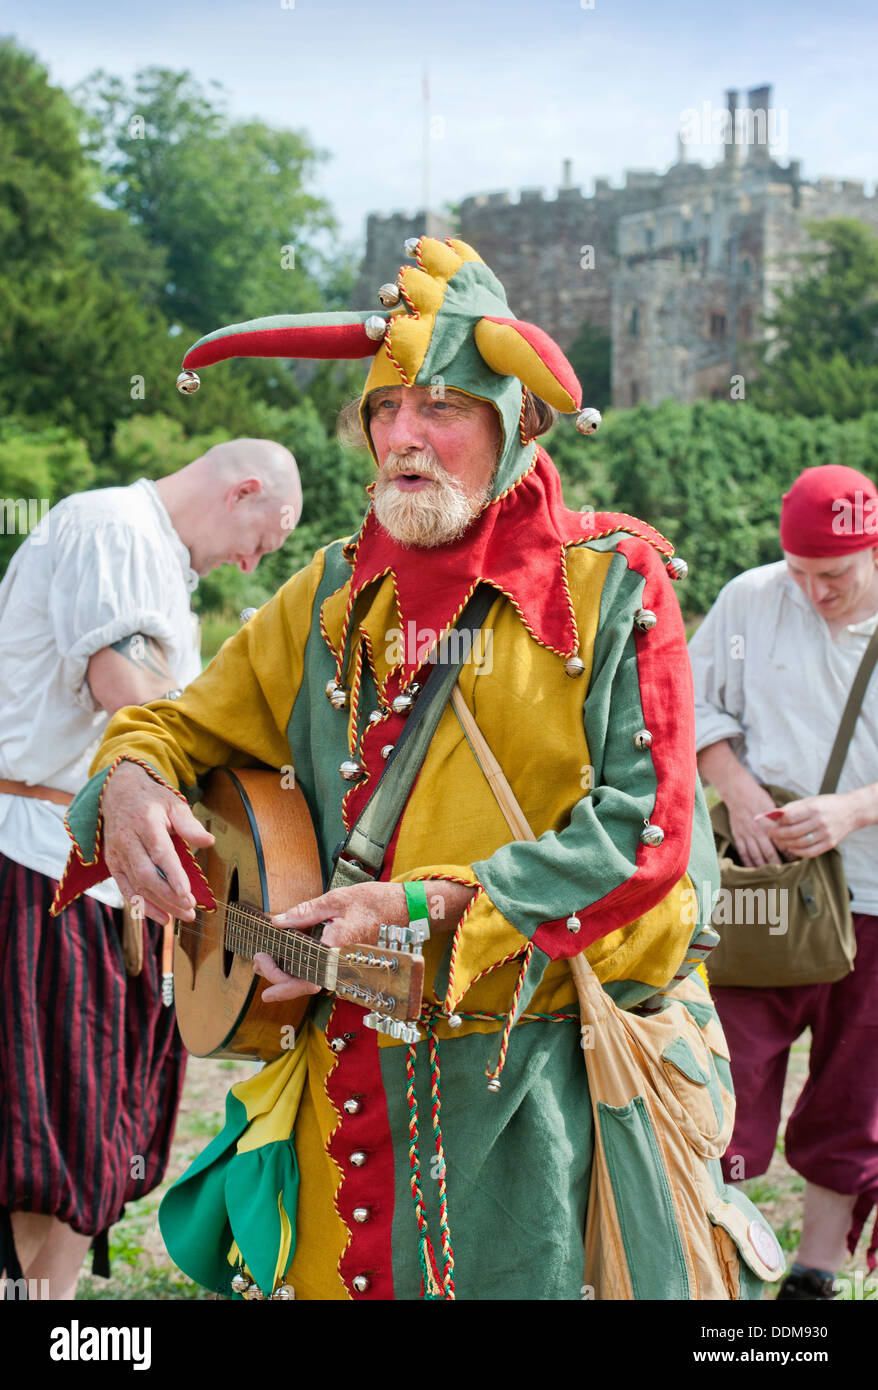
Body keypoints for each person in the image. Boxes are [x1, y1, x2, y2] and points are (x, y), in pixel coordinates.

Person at [55, 237, 731, 1301]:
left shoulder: (612, 586)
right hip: (346, 1097)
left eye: (442, 409)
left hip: (528, 1099)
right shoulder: (325, 591)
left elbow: (644, 836)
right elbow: (177, 727)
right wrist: (133, 779)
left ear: (514, 421)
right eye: (383, 409)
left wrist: (427, 900)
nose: (402, 438)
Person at [0, 438, 303, 1299]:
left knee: (88, 1128)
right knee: (42, 1131)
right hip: (40, 861)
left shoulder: (160, 563)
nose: (252, 561)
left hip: (102, 875)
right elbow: (126, 688)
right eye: (263, 540)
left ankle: (49, 1310)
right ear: (244, 489)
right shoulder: (113, 526)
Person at [689, 463, 878, 1300]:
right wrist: (738, 789)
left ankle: (815, 1276)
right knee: (726, 1076)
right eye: (800, 572)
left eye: (833, 576)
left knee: (854, 1089)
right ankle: (719, 1263)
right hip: (759, 893)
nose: (814, 593)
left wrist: (853, 812)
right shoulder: (751, 598)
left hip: (872, 899)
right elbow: (691, 707)